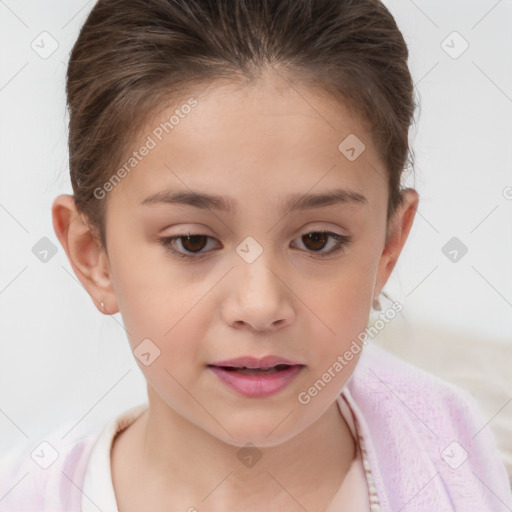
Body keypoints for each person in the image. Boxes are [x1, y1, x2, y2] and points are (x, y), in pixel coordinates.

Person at [1, 0, 510, 511]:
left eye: (317, 240)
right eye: (193, 242)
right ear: (95, 258)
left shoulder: (465, 466)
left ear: (387, 247)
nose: (261, 304)